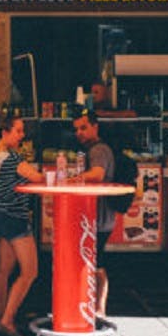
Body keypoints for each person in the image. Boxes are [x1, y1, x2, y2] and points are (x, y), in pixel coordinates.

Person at [0, 113, 45, 336]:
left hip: (0, 215)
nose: (22, 135)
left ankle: (2, 316)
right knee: (30, 272)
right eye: (18, 131)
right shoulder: (10, 158)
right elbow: (37, 177)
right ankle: (8, 320)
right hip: (15, 218)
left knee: (3, 270)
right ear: (4, 133)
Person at [72, 109, 117, 317]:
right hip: (100, 217)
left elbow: (97, 175)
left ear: (95, 127)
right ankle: (95, 308)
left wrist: (71, 180)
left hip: (99, 217)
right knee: (96, 261)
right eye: (76, 129)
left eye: (83, 128)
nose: (79, 133)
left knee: (97, 263)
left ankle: (99, 310)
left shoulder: (98, 150)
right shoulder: (94, 149)